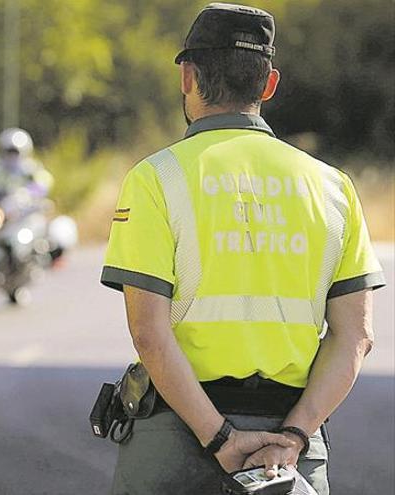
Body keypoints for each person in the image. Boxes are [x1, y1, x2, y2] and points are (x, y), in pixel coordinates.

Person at [98, 4, 385, 494]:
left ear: (188, 77)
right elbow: (354, 336)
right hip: (289, 446)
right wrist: (294, 434)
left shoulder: (156, 179)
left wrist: (220, 438)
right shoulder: (333, 187)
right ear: (268, 84)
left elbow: (149, 333)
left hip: (176, 435)